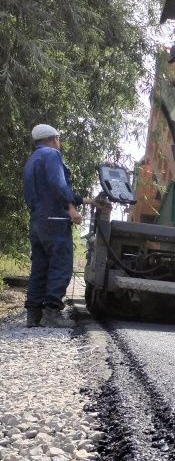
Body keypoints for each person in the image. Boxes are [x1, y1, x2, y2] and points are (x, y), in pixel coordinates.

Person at [22, 124, 83, 329]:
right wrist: (71, 209)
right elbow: (58, 184)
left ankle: (33, 315)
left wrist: (84, 200)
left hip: (38, 221)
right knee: (60, 263)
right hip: (55, 220)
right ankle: (52, 313)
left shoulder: (33, 159)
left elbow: (45, 190)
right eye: (59, 138)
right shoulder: (52, 154)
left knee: (39, 266)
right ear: (53, 138)